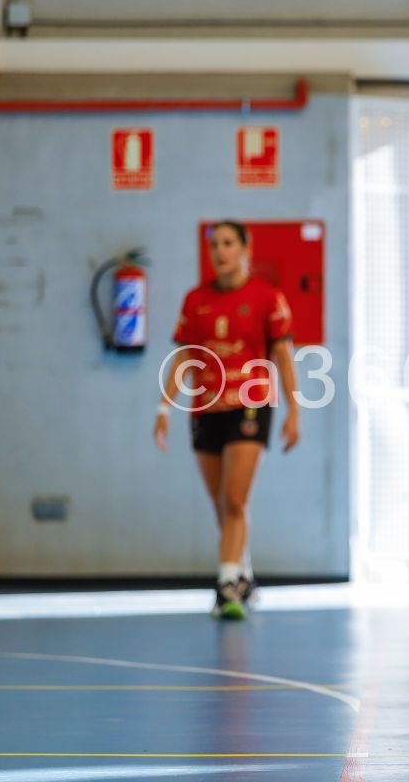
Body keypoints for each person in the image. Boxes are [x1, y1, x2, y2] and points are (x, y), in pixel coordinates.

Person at [154, 220, 300, 620]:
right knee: (221, 504)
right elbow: (184, 359)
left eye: (228, 243)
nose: (220, 251)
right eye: (214, 244)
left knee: (236, 499)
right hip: (205, 409)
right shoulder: (195, 300)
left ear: (245, 247)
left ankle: (225, 585)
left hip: (250, 405)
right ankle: (243, 574)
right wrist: (164, 408)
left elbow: (283, 358)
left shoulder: (267, 297)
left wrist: (294, 410)